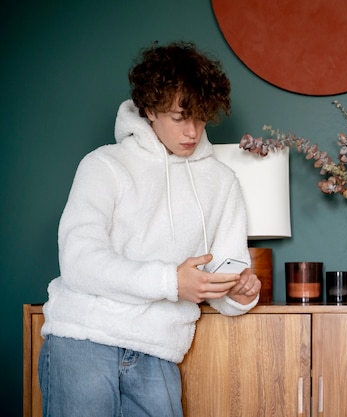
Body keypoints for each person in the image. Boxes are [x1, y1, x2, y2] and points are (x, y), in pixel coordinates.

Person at [38, 41, 261, 417]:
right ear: (148, 110)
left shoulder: (222, 182)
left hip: (158, 350)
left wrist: (238, 292)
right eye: (178, 117)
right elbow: (78, 261)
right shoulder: (103, 166)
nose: (191, 131)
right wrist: (171, 282)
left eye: (201, 117)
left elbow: (222, 272)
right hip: (83, 340)